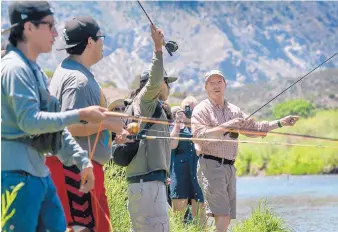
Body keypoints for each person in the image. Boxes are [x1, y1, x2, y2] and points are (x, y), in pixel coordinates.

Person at [1, 2, 107, 231]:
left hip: (38, 174)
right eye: (49, 26)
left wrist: (81, 158)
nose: (56, 33)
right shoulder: (14, 69)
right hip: (17, 177)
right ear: (29, 28)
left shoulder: (34, 71)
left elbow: (52, 127)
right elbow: (29, 121)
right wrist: (80, 114)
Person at [46, 16, 128, 232]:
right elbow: (70, 127)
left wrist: (109, 131)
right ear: (90, 41)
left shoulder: (71, 71)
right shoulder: (77, 80)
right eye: (101, 37)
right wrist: (109, 124)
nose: (103, 44)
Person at [191, 70, 300, 232]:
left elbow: (255, 129)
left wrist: (280, 122)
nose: (216, 86)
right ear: (206, 87)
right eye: (211, 83)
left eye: (219, 82)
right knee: (222, 215)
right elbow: (198, 136)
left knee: (226, 216)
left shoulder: (234, 110)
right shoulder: (201, 110)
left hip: (229, 166)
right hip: (210, 164)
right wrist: (226, 126)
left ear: (225, 85)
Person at [124, 25, 177, 232]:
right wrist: (158, 47)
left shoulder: (139, 105)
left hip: (142, 184)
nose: (169, 87)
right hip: (148, 185)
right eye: (167, 82)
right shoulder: (146, 101)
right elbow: (154, 79)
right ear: (156, 85)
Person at [169, 96, 205, 223]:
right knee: (177, 219)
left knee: (201, 219)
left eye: (193, 110)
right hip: (179, 176)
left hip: (198, 176)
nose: (189, 113)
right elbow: (172, 144)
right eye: (186, 109)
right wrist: (178, 123)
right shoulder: (175, 127)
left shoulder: (201, 127)